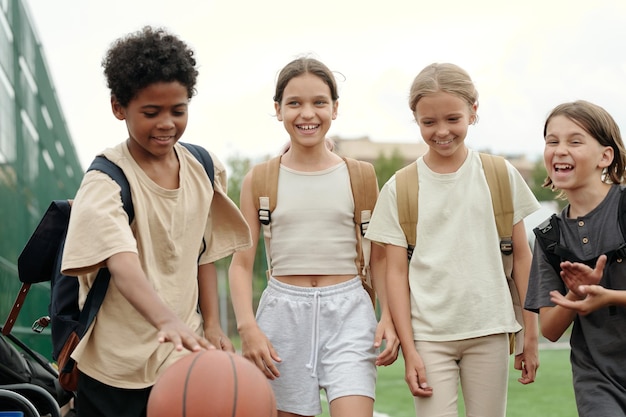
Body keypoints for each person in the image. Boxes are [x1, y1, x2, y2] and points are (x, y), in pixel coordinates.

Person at [60, 26, 251, 417]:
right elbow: (122, 263)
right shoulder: (105, 182)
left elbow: (203, 252)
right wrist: (166, 320)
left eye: (178, 111)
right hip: (116, 367)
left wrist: (211, 325)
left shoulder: (204, 167)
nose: (166, 123)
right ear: (119, 108)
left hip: (183, 354)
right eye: (151, 112)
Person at [364, 62, 540, 417]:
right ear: (416, 119)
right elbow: (395, 273)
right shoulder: (400, 187)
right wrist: (410, 349)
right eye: (429, 122)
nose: (441, 131)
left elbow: (523, 258)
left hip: (490, 330)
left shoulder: (499, 174)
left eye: (452, 119)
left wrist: (530, 337)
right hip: (429, 338)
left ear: (473, 111)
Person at [228, 57, 399, 417]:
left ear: (335, 108)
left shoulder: (362, 176)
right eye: (295, 103)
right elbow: (241, 264)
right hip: (281, 318)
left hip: (350, 313)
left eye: (319, 102)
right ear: (278, 110)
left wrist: (387, 316)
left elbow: (380, 258)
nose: (308, 113)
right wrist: (248, 327)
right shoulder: (258, 180)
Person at [525, 100, 626, 416]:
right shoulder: (549, 237)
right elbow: (551, 329)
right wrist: (576, 294)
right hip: (597, 380)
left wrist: (607, 296)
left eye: (575, 141)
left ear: (605, 156)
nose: (559, 150)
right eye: (552, 141)